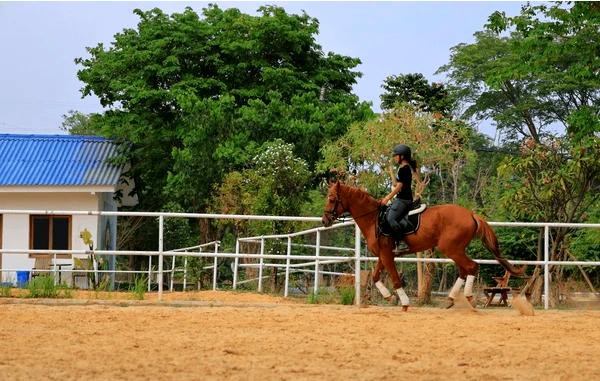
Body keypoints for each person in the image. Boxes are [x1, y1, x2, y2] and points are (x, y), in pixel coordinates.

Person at [380, 144, 418, 252]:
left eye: (396, 155)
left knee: (390, 218)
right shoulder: (402, 168)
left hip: (403, 200)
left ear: (402, 156)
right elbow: (397, 183)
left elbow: (399, 187)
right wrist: (391, 172)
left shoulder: (404, 169)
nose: (395, 157)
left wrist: (387, 198)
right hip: (401, 199)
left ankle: (401, 243)